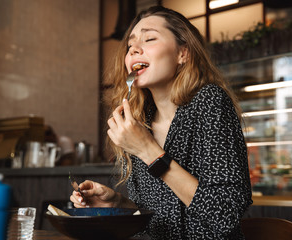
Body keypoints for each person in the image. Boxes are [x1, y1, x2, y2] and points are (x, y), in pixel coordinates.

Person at [70, 6, 252, 239]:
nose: (134, 48)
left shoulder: (210, 101)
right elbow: (158, 215)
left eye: (149, 38)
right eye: (130, 46)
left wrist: (148, 150)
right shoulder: (140, 121)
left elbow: (225, 215)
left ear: (182, 54)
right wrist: (116, 203)